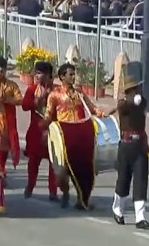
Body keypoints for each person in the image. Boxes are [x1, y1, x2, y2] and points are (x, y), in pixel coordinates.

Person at [44, 62, 107, 210]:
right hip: (63, 138)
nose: (73, 77)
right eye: (70, 74)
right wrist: (45, 127)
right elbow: (48, 115)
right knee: (61, 172)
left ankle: (81, 199)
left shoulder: (79, 93)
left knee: (83, 168)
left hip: (79, 135)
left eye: (74, 74)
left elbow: (91, 107)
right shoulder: (54, 95)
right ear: (62, 77)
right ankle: (65, 193)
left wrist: (102, 114)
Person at [112, 61, 149, 230]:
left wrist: (136, 98)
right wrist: (130, 99)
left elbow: (141, 102)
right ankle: (118, 210)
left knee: (141, 180)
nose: (139, 90)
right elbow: (124, 105)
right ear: (130, 90)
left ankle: (140, 217)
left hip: (140, 146)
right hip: (126, 146)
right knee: (123, 180)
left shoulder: (141, 101)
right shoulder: (123, 105)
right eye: (136, 88)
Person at [21, 61, 57, 200]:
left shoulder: (56, 92)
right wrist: (37, 100)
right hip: (35, 132)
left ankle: (53, 192)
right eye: (35, 72)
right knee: (33, 163)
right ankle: (30, 186)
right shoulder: (32, 90)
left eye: (40, 73)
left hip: (52, 132)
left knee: (54, 163)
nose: (36, 76)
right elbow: (24, 106)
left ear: (48, 75)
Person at [0, 57, 21, 177]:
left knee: (4, 151)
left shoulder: (12, 86)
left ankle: (1, 172)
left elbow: (20, 100)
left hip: (7, 124)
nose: (0, 74)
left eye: (2, 71)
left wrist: (7, 99)